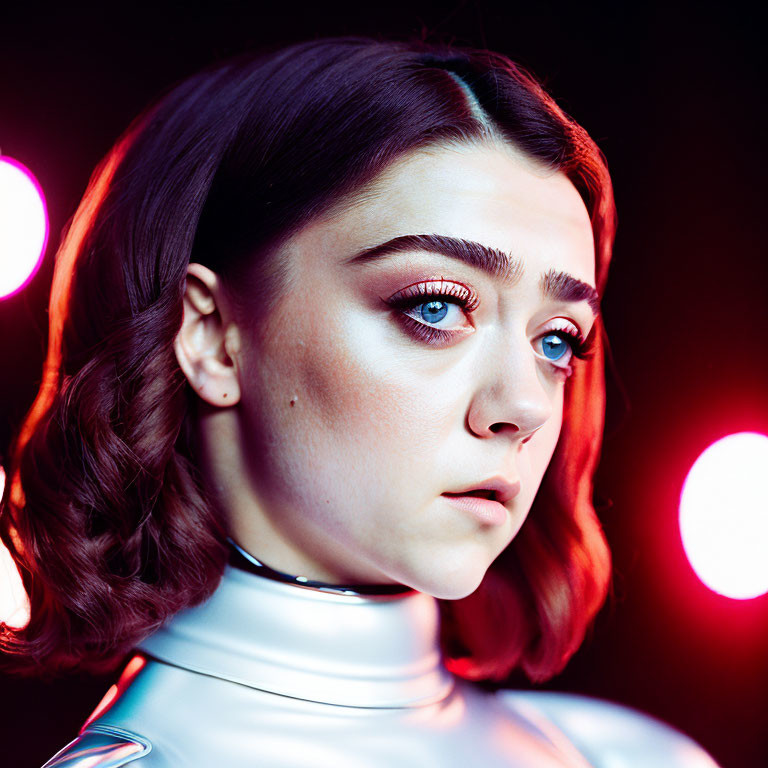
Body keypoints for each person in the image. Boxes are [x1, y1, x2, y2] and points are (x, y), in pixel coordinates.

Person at [0, 36, 720, 768]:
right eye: (436, 306)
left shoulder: (632, 756)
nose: (526, 405)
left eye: (559, 340)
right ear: (213, 337)